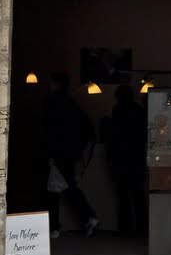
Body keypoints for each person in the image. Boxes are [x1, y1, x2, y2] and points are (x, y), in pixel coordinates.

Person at [44, 72, 99, 238]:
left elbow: (52, 132)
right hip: (69, 154)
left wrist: (51, 153)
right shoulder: (72, 105)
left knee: (55, 191)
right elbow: (88, 129)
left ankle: (56, 226)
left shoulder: (54, 104)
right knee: (67, 189)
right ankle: (88, 217)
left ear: (56, 85)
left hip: (59, 154)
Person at [106, 83, 148, 236]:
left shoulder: (117, 111)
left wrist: (110, 157)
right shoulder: (138, 110)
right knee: (138, 196)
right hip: (136, 157)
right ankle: (142, 227)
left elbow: (112, 136)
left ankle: (125, 229)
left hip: (121, 159)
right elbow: (144, 134)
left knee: (123, 197)